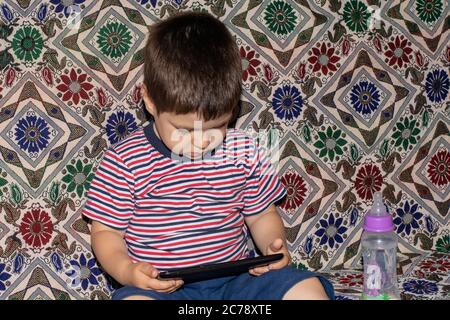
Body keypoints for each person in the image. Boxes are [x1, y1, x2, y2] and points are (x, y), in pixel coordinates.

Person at [82, 11, 334, 300]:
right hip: (164, 291)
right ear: (150, 100)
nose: (201, 142)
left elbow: (262, 214)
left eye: (217, 126)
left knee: (307, 290)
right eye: (185, 130)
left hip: (236, 283)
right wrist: (128, 271)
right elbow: (106, 234)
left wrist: (271, 248)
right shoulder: (124, 162)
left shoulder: (244, 151)